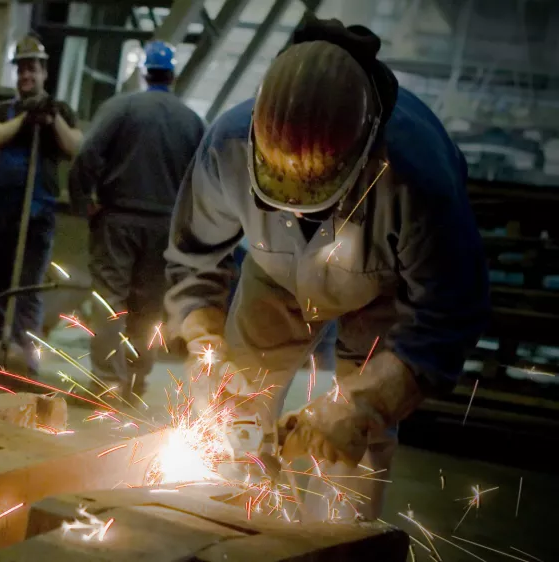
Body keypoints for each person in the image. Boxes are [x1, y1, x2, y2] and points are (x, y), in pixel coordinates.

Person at [164, 17, 489, 521]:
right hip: (273, 270)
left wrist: (364, 404)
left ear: (361, 156)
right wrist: (206, 346)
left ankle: (343, 537)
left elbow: (449, 315)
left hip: (382, 285)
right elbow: (193, 259)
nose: (297, 212)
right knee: (235, 402)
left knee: (349, 445)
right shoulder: (228, 144)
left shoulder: (418, 176)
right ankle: (235, 519)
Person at [68, 41, 205, 400]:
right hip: (166, 228)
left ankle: (106, 383)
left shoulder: (121, 108)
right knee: (149, 307)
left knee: (110, 301)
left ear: (145, 73)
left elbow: (86, 154)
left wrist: (83, 201)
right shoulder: (191, 121)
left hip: (118, 220)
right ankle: (135, 383)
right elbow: (205, 181)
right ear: (172, 76)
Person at [0, 34, 82, 377]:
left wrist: (52, 119)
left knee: (27, 288)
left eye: (32, 69)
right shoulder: (0, 111)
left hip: (36, 217)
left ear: (44, 72)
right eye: (21, 69)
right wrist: (23, 120)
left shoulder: (60, 111)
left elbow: (76, 147)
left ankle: (24, 357)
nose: (26, 75)